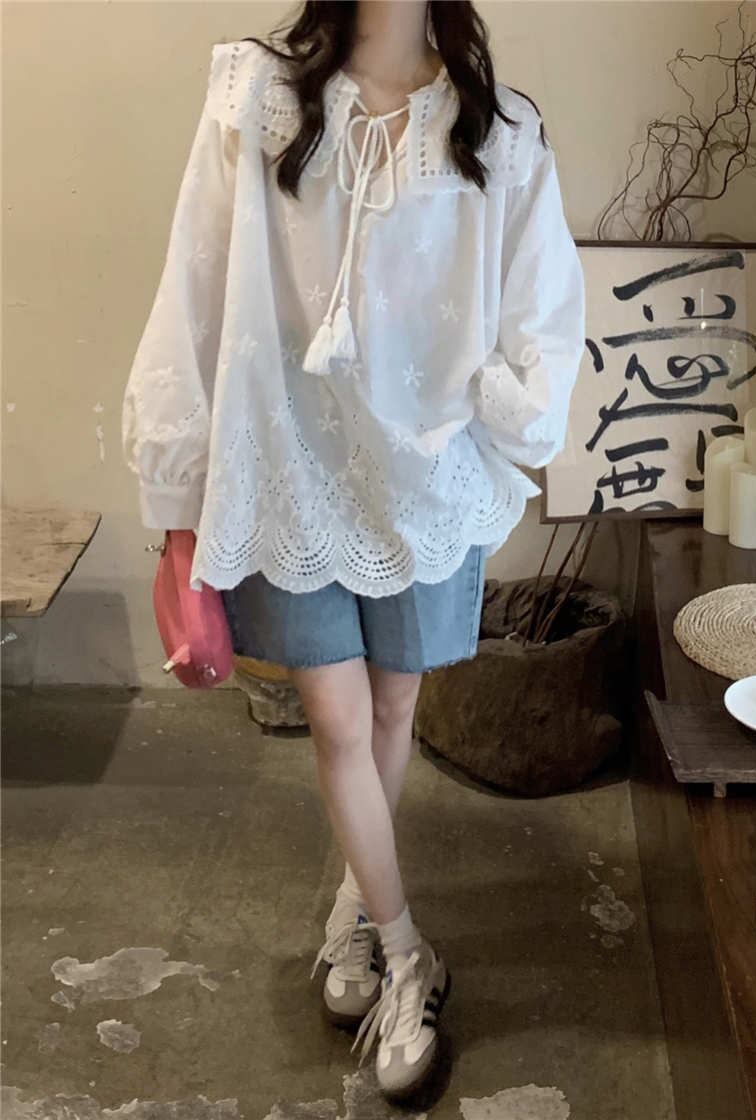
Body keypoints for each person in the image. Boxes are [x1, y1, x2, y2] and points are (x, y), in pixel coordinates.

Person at [121, 0, 586, 1100]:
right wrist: (177, 483)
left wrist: (477, 401)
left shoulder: (497, 131)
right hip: (290, 472)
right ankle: (409, 952)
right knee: (337, 720)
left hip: (423, 485)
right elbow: (194, 286)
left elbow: (542, 316)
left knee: (389, 714)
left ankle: (353, 911)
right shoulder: (258, 98)